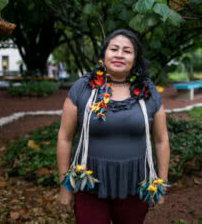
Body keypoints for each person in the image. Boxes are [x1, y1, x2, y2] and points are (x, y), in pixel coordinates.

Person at [57, 29, 170, 224]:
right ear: (104, 54)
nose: (119, 54)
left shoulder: (147, 91)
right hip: (88, 185)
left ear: (135, 58)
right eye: (114, 49)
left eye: (127, 51)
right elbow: (64, 138)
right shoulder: (83, 88)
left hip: (135, 184)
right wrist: (64, 187)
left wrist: (161, 183)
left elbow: (161, 140)